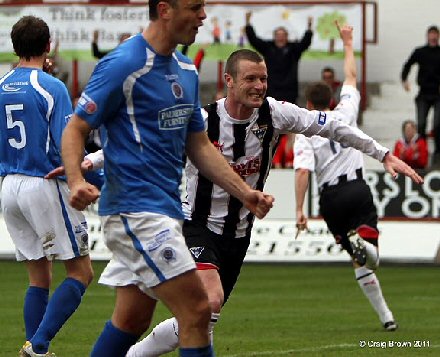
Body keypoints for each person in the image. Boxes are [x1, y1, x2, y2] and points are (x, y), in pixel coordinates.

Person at [123, 31, 422, 357]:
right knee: (208, 302)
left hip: (238, 234)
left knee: (203, 320)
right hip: (196, 223)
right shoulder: (203, 120)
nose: (259, 85)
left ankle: (134, 355)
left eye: (263, 79)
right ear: (229, 81)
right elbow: (152, 147)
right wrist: (93, 163)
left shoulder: (275, 113)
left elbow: (333, 125)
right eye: (250, 78)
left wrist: (382, 154)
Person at [60, 1, 274, 357]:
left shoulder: (186, 70)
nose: (203, 16)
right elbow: (75, 128)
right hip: (134, 211)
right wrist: (75, 180)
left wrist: (245, 193)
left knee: (131, 320)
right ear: (165, 10)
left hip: (166, 211)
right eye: (194, 7)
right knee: (199, 309)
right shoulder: (124, 64)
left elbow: (200, 146)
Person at [294, 23, 399, 332]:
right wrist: (348, 42)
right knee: (368, 256)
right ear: (331, 99)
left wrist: (300, 210)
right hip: (357, 188)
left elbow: (302, 171)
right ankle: (372, 256)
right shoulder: (346, 113)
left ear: (309, 105)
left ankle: (386, 316)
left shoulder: (305, 131)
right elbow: (352, 76)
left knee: (356, 260)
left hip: (330, 199)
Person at [0, 16, 93, 356]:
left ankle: (34, 349)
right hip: (43, 182)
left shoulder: (1, 84)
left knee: (38, 278)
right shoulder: (51, 86)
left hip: (8, 185)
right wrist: (80, 180)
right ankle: (38, 344)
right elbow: (66, 141)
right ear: (48, 45)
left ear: (14, 47)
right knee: (81, 272)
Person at [245, 11, 313, 103]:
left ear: (287, 37)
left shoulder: (293, 49)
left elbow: (305, 43)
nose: (280, 38)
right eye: (278, 35)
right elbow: (254, 40)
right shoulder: (268, 48)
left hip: (289, 91)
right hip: (271, 91)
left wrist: (309, 28)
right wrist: (248, 23)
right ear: (274, 37)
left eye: (283, 35)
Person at [401, 25, 440, 163]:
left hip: (438, 94)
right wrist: (404, 79)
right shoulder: (420, 51)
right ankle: (422, 153)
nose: (433, 37)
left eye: (436, 34)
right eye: (431, 34)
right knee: (421, 124)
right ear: (427, 36)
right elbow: (408, 65)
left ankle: (437, 154)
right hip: (423, 94)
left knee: (437, 124)